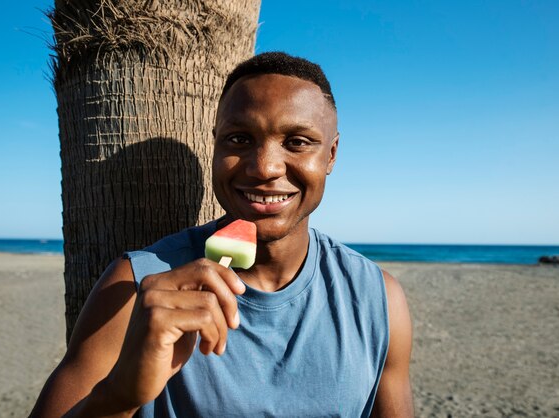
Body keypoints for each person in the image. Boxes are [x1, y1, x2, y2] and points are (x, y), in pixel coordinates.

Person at [30, 52, 413, 417]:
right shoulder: (135, 288)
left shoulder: (377, 298)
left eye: (297, 142)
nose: (264, 167)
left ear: (330, 155)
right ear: (215, 144)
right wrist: (120, 395)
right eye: (239, 139)